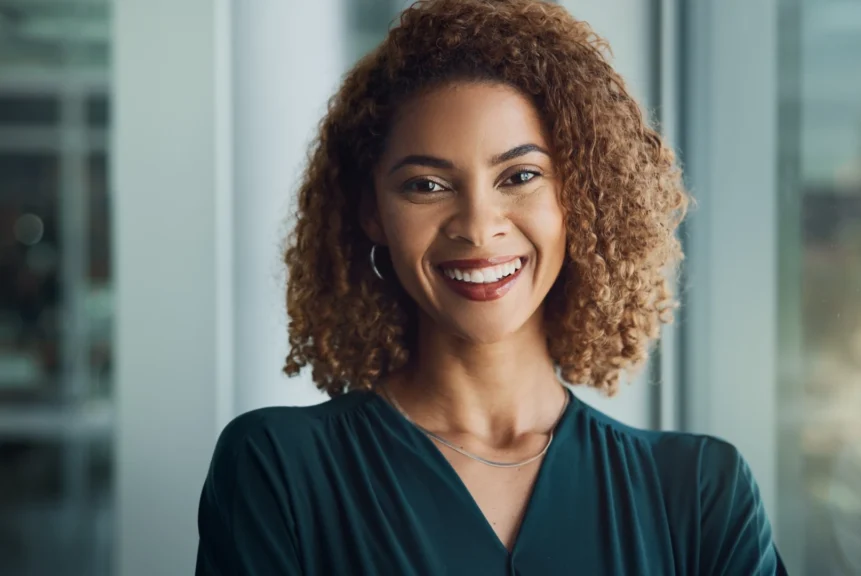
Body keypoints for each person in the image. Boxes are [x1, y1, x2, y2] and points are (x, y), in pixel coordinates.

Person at [195, 0, 786, 574]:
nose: (479, 227)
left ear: (579, 197)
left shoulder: (703, 492)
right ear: (372, 212)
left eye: (520, 176)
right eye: (426, 185)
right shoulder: (278, 469)